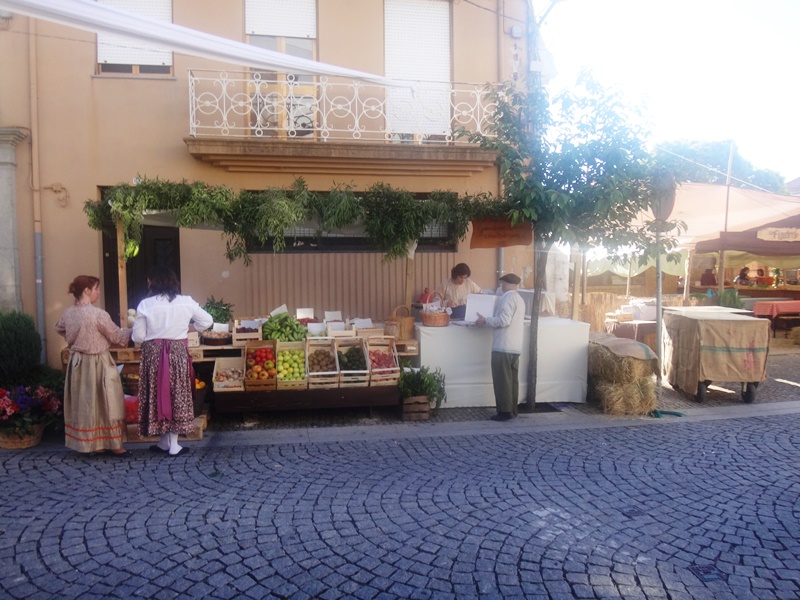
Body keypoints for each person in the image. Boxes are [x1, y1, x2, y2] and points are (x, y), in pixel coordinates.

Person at [132, 266, 213, 456]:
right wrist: (187, 328)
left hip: (154, 354)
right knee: (176, 393)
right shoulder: (186, 302)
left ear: (154, 282)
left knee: (157, 393)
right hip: (177, 352)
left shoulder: (146, 304)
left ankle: (168, 443)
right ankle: (169, 443)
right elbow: (207, 321)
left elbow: (138, 337)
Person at [55, 275, 132, 456]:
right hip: (98, 362)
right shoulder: (98, 314)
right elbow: (117, 337)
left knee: (85, 404)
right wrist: (133, 329)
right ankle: (115, 445)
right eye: (96, 288)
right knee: (107, 402)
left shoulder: (68, 313)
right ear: (87, 291)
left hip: (77, 364)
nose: (98, 292)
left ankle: (94, 444)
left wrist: (74, 339)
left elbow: (58, 327)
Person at [475, 273, 526, 421]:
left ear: (510, 285)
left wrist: (485, 320)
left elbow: (504, 320)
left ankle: (504, 412)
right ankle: (513, 409)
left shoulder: (507, 298)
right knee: (512, 380)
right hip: (515, 345)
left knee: (502, 380)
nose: (501, 286)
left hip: (503, 345)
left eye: (503, 283)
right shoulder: (520, 299)